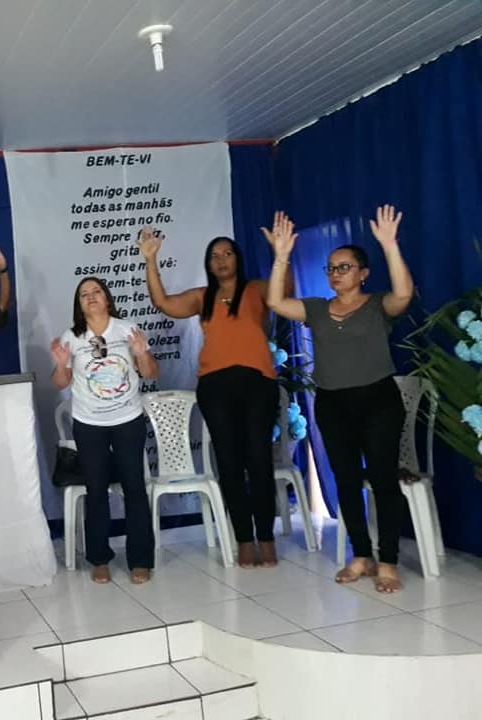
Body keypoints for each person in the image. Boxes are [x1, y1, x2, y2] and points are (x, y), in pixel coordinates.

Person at [266, 205, 414, 593]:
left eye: (344, 267)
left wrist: (389, 245)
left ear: (363, 273)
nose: (335, 273)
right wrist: (281, 256)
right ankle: (361, 555)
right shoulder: (316, 309)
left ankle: (388, 560)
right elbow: (276, 303)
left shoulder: (378, 306)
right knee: (346, 481)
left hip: (378, 401)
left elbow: (404, 294)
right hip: (333, 404)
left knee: (382, 479)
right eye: (331, 268)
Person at [137, 220, 293, 568]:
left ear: (237, 258)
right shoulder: (201, 297)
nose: (222, 260)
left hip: (258, 383)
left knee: (259, 459)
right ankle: (243, 539)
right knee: (230, 462)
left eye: (227, 253)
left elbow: (288, 291)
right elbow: (162, 303)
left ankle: (265, 537)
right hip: (217, 386)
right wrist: (150, 260)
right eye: (214, 256)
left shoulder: (258, 289)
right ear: (208, 264)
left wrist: (281, 254)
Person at [50, 277, 158, 585]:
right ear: (79, 305)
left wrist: (140, 353)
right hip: (89, 424)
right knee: (95, 491)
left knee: (134, 488)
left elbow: (151, 372)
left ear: (107, 299)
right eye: (84, 295)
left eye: (96, 292)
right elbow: (61, 383)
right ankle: (99, 559)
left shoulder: (127, 330)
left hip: (128, 419)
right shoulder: (71, 337)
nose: (90, 297)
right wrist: (60, 365)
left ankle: (140, 560)